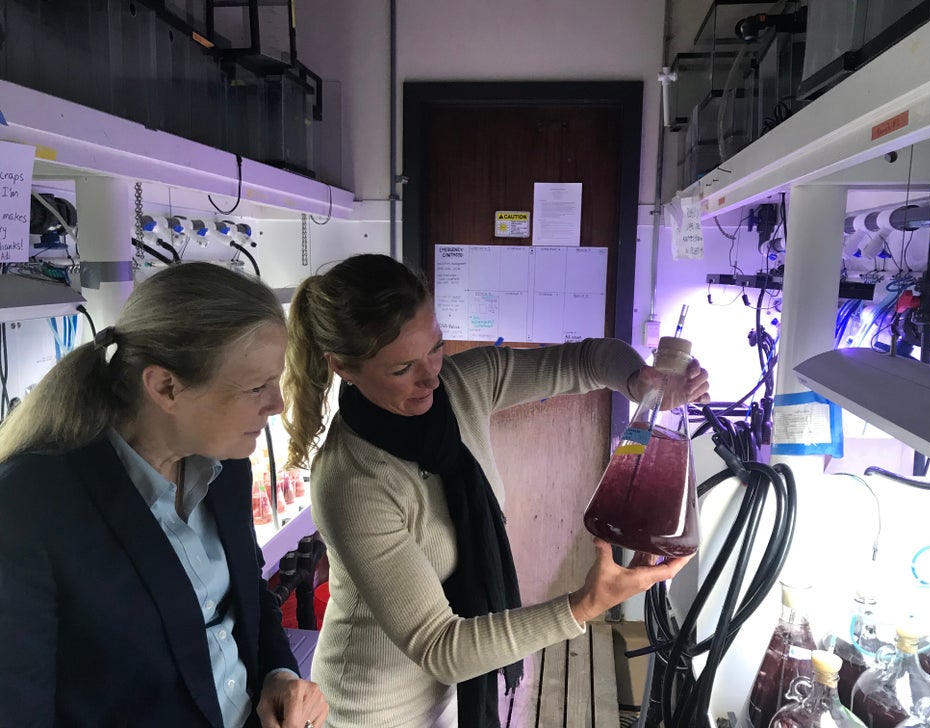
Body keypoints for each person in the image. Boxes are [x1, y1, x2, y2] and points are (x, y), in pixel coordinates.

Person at [282, 253, 710, 728]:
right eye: (402, 368)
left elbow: (586, 360)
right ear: (344, 367)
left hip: (450, 696)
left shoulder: (461, 385)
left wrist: (640, 381)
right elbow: (439, 646)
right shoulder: (351, 479)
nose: (430, 376)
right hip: (370, 709)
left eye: (436, 348)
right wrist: (586, 604)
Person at [0, 262, 328, 728]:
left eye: (276, 380)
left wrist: (277, 673)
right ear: (165, 387)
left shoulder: (227, 465)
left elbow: (248, 594)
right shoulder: (29, 507)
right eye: (256, 387)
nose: (276, 404)